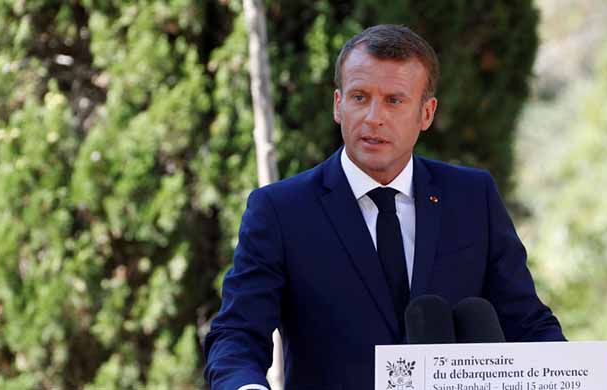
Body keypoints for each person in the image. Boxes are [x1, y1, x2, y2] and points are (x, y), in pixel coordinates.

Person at [203, 24, 565, 390]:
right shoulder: (280, 211)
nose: (374, 116)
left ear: (427, 113)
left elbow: (528, 324)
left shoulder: (472, 197)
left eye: (394, 100)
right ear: (338, 105)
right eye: (360, 97)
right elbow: (236, 335)